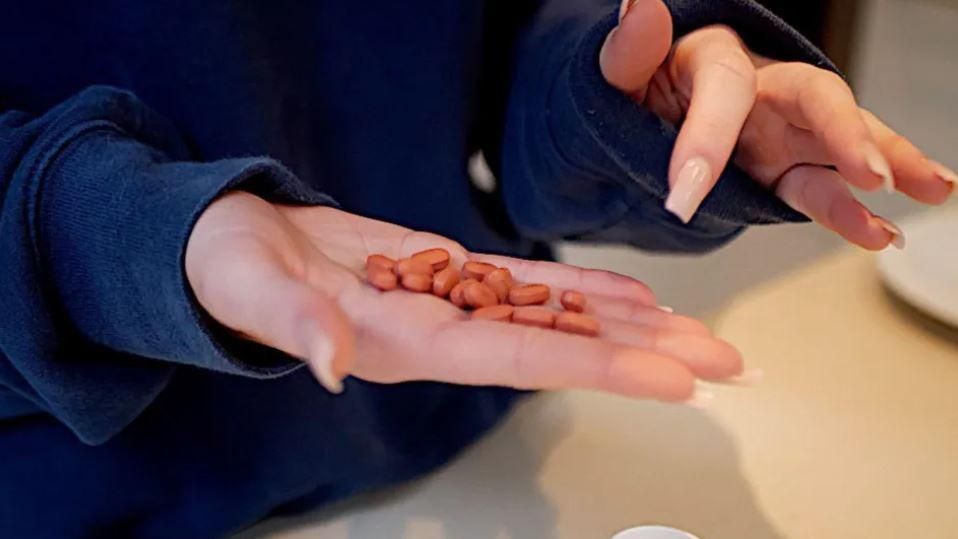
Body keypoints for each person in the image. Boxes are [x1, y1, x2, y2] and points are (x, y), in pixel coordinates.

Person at [1, 0, 953, 536]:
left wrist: (615, 110)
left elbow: (491, 54)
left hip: (466, 439)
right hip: (100, 495)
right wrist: (127, 234)